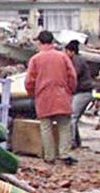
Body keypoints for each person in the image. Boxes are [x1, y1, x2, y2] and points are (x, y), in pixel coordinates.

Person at [24, 30, 77, 164]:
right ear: (53, 41)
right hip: (61, 94)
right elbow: (72, 76)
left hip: (43, 96)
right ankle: (64, 153)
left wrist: (32, 93)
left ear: (39, 42)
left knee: (46, 126)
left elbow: (29, 80)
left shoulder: (35, 59)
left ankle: (49, 156)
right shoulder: (63, 57)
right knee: (64, 125)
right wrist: (69, 90)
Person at [65, 40, 94, 148]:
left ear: (71, 51)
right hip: (83, 92)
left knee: (72, 116)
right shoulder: (79, 59)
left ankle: (71, 142)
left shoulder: (77, 61)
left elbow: (73, 75)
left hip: (82, 92)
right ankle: (76, 141)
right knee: (74, 117)